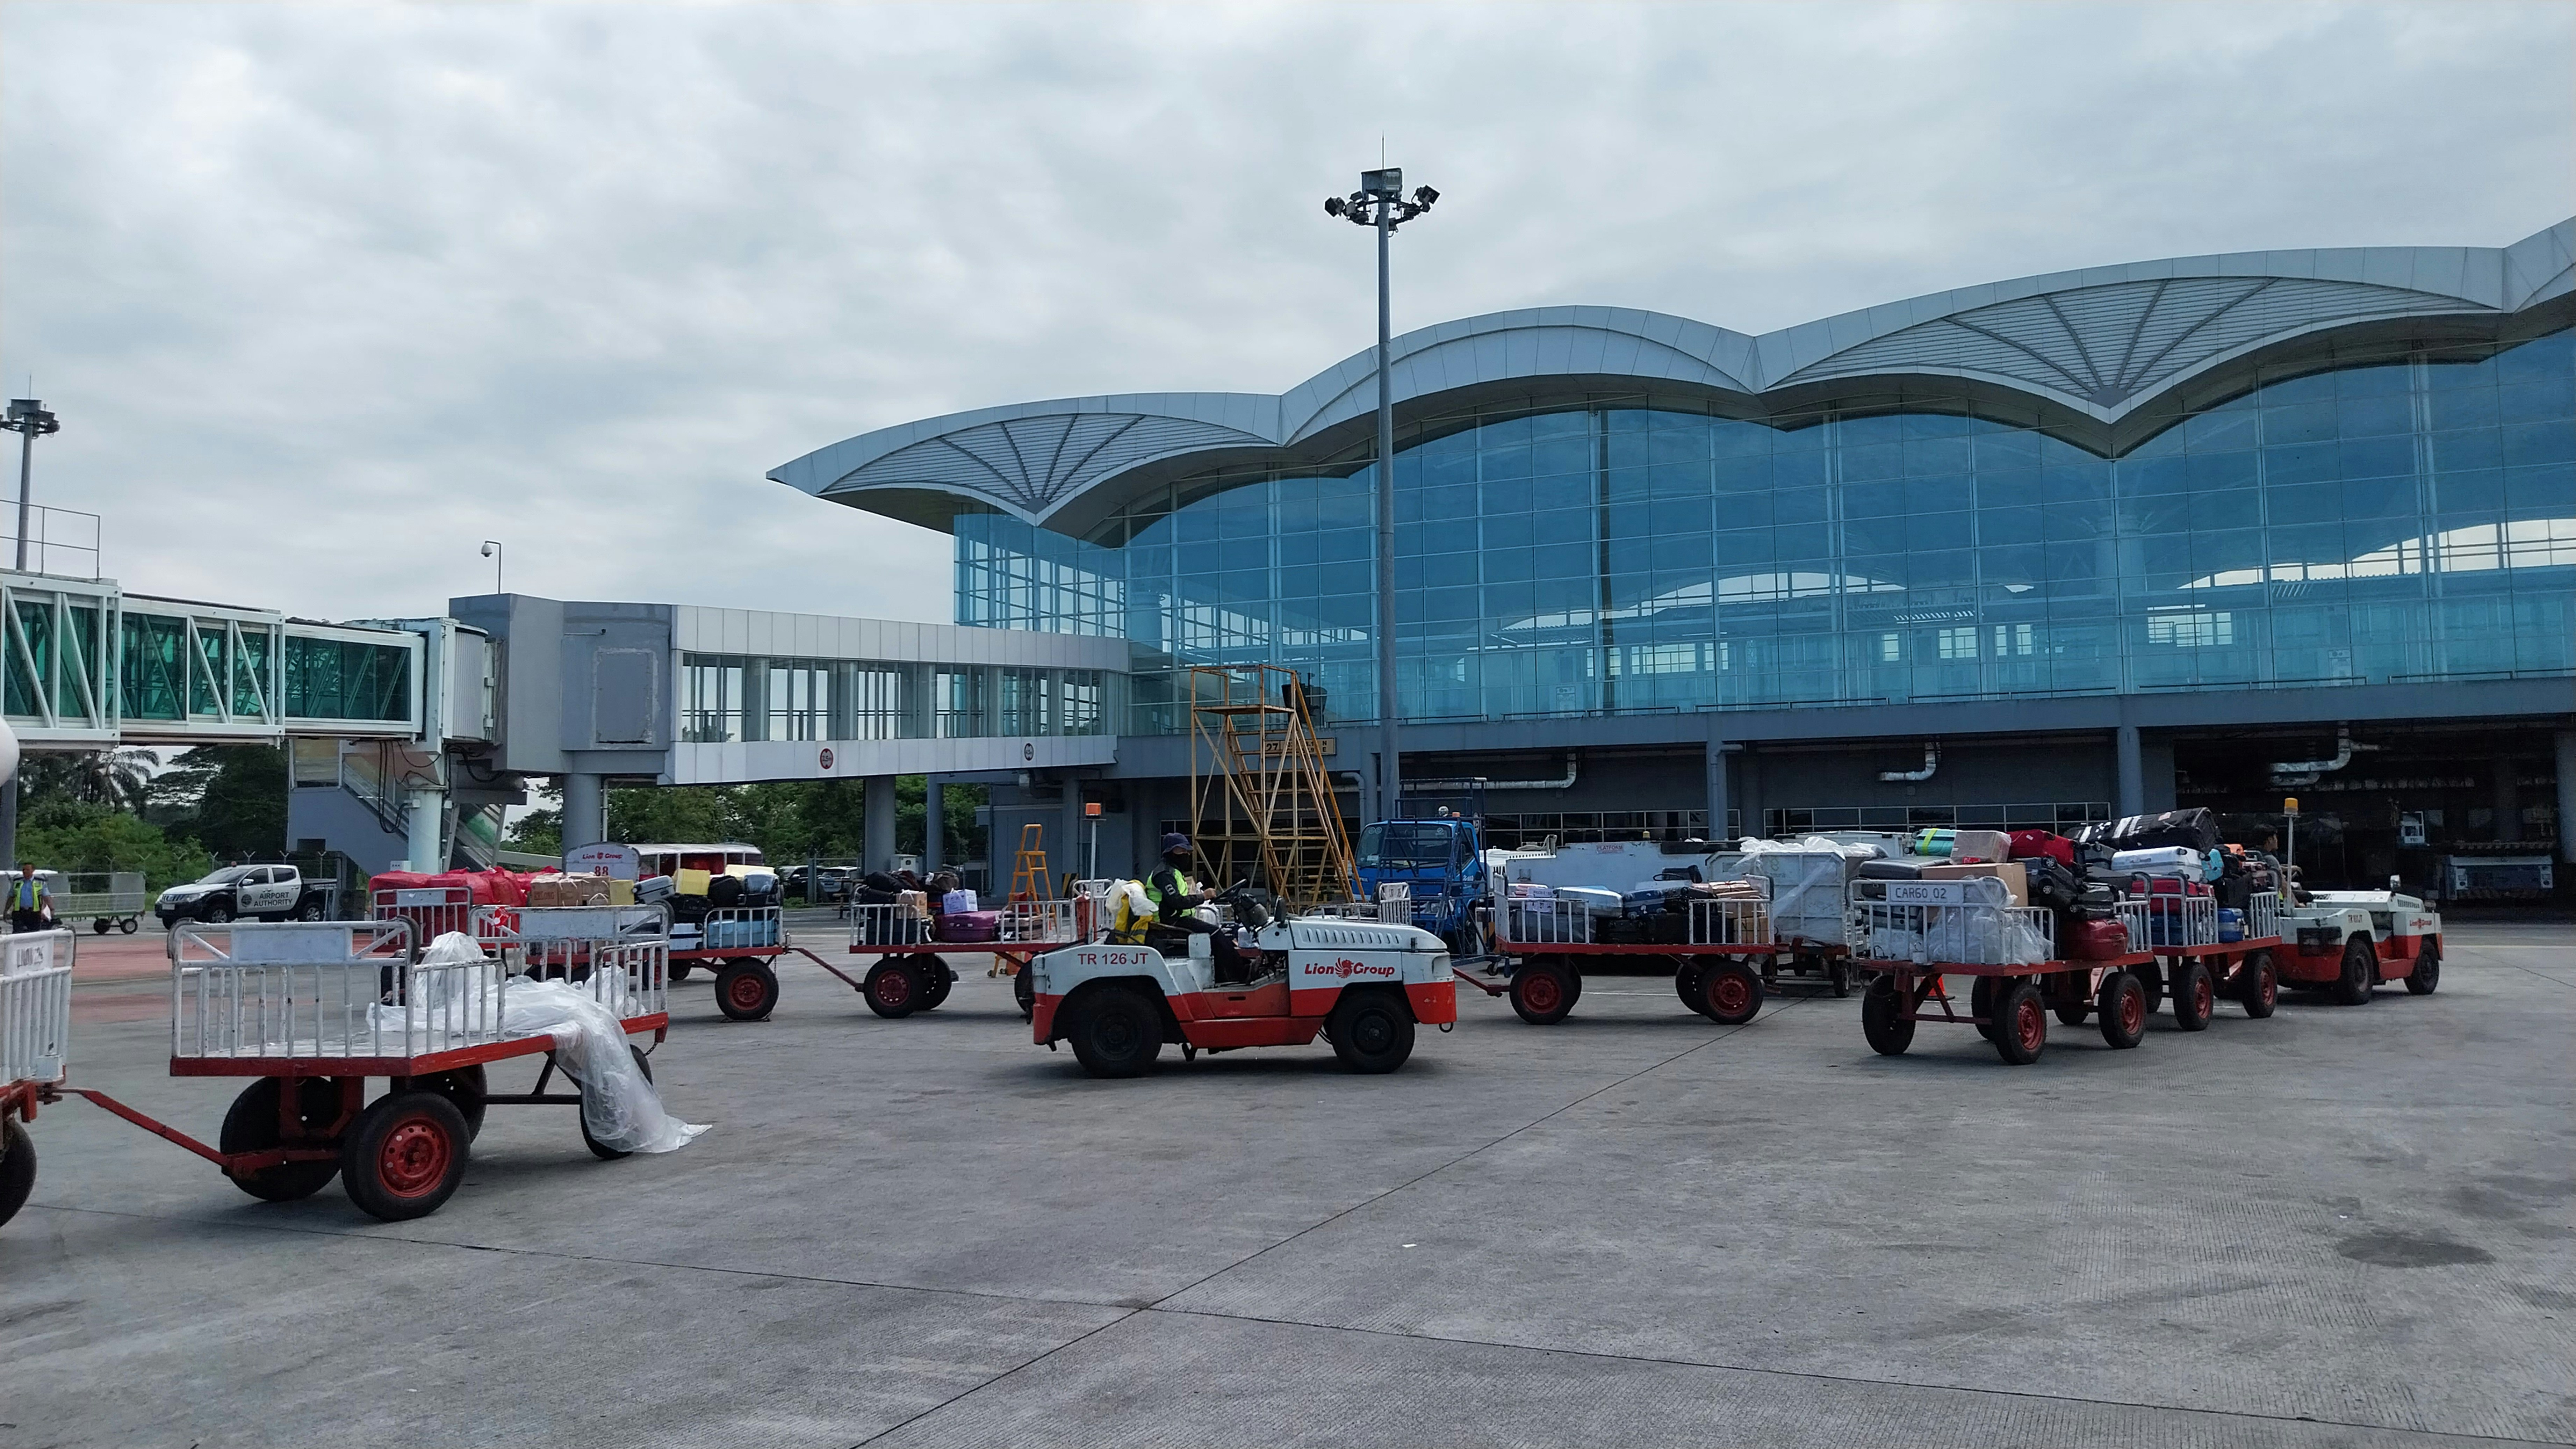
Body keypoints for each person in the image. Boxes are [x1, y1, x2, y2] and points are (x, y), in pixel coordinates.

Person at [1142, 834, 1251, 985]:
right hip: (1169, 923)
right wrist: (1203, 897)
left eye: (1187, 852)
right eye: (1181, 852)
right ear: (1169, 852)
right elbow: (1177, 901)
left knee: (1220, 935)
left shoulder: (1173, 871)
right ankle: (1241, 975)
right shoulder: (1164, 874)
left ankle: (1226, 976)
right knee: (1216, 934)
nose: (1186, 855)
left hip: (1177, 919)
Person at [8, 864, 50, 934]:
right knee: (17, 933)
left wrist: (51, 910)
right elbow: (11, 897)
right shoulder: (17, 882)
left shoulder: (40, 882)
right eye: (23, 870)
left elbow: (46, 897)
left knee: (33, 934)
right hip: (19, 912)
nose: (25, 872)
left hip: (34, 913)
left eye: (27, 870)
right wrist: (6, 910)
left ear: (33, 871)